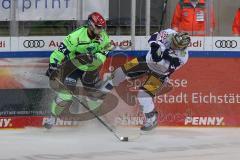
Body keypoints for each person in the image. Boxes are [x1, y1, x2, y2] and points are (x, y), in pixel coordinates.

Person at [103, 29, 191, 131]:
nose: (174, 46)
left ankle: (151, 118)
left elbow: (167, 67)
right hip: (146, 60)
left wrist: (161, 56)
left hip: (160, 74)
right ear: (174, 37)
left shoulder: (183, 56)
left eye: (177, 46)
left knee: (143, 96)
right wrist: (154, 46)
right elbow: (154, 36)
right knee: (120, 72)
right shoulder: (170, 33)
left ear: (183, 47)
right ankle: (101, 91)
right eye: (174, 43)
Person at [44, 12, 111, 128]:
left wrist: (96, 59)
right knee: (66, 95)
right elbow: (58, 53)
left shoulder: (103, 37)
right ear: (91, 25)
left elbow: (105, 52)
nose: (101, 30)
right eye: (99, 28)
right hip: (72, 67)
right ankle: (53, 116)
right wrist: (53, 66)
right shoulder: (75, 37)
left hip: (91, 68)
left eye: (102, 28)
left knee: (95, 94)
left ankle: (97, 117)